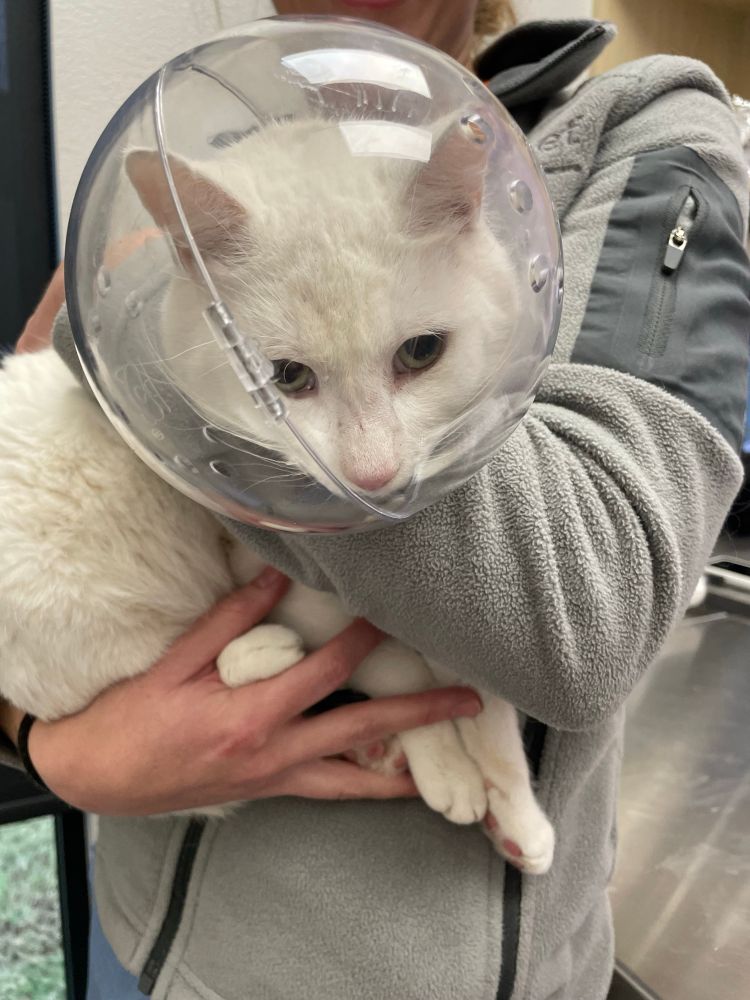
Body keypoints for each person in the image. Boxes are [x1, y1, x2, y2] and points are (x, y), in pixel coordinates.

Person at [2, 1, 749, 998]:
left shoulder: (644, 130)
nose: (368, 468)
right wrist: (43, 742)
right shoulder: (216, 156)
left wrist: (144, 324)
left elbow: (585, 617)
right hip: (142, 939)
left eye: (420, 352)